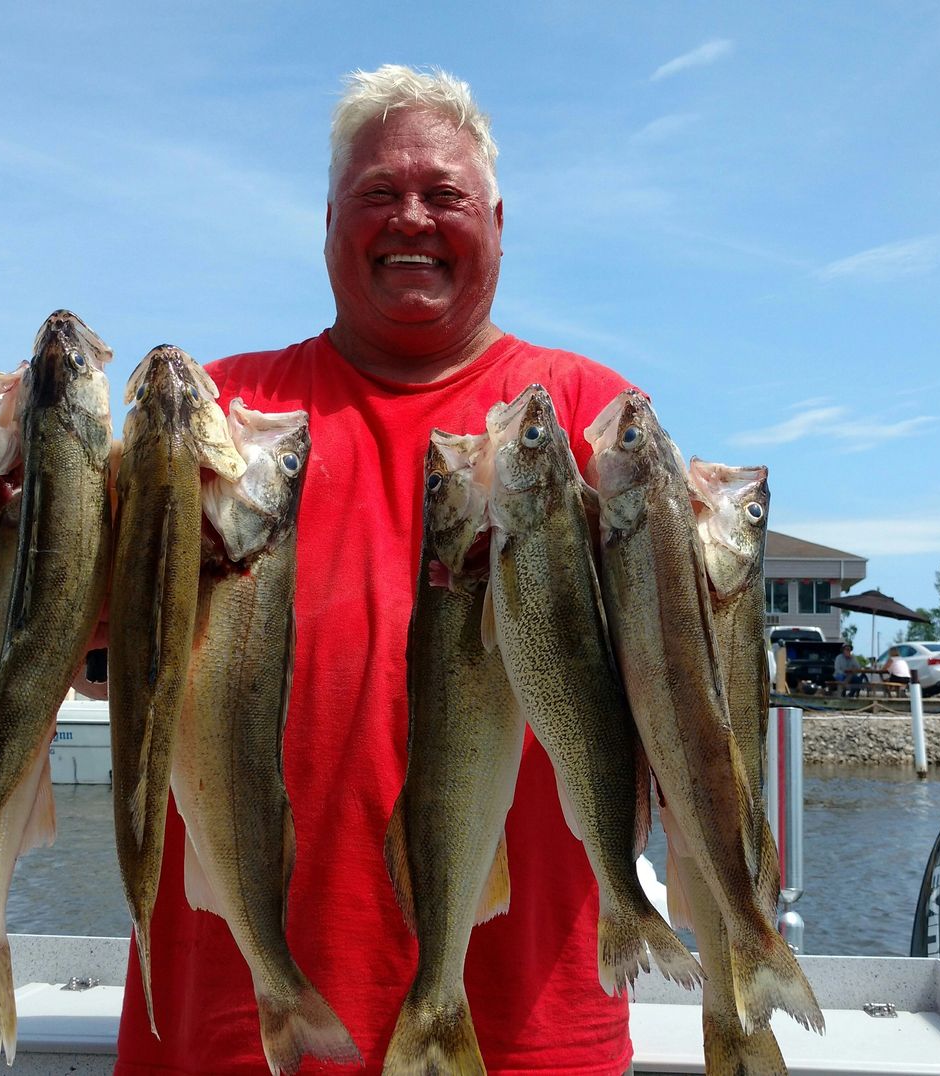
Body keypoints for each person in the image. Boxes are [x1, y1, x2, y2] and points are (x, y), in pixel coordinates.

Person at [99, 65, 638, 1076]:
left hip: (524, 1023)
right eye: (377, 195)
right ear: (328, 222)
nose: (412, 218)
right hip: (233, 1017)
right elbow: (91, 643)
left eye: (443, 195)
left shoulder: (583, 417)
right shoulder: (221, 416)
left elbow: (665, 681)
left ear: (496, 220)